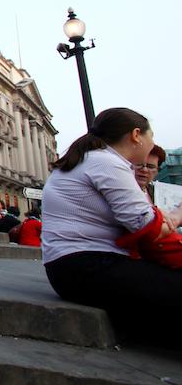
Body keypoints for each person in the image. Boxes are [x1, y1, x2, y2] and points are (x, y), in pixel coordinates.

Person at [42, 107, 182, 342]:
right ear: (136, 135)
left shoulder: (92, 159)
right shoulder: (106, 162)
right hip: (86, 265)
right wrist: (178, 215)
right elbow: (145, 226)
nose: (151, 144)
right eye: (151, 137)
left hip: (73, 265)